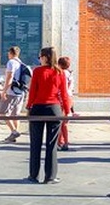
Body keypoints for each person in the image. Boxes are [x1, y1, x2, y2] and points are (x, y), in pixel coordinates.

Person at [25, 46, 71, 184]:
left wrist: (28, 107)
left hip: (38, 108)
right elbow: (64, 94)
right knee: (51, 145)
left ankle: (33, 175)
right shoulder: (60, 73)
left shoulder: (37, 71)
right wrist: (67, 111)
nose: (39, 59)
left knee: (35, 143)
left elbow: (33, 92)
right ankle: (50, 176)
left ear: (45, 57)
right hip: (54, 109)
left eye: (40, 56)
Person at [0, 46, 26, 143]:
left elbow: (9, 77)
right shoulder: (21, 63)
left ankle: (14, 132)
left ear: (10, 53)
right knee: (15, 114)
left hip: (11, 91)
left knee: (3, 112)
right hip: (20, 92)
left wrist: (4, 91)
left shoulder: (11, 62)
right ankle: (13, 135)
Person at [57, 56, 75, 151]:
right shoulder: (70, 73)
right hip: (69, 97)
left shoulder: (61, 73)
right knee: (64, 122)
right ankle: (64, 141)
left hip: (62, 97)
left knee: (60, 122)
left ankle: (61, 142)